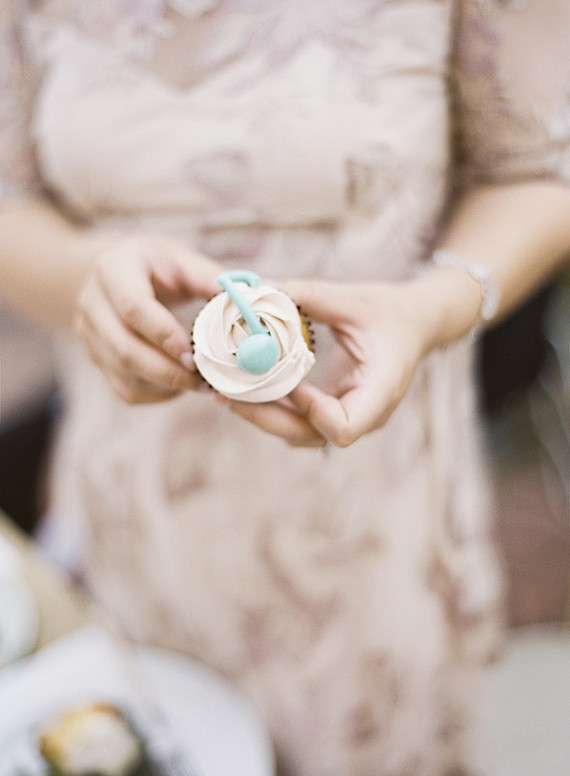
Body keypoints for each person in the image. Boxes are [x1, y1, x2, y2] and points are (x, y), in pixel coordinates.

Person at [1, 1, 569, 774]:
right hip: (145, 508)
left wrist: (431, 307)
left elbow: (544, 166)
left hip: (377, 508)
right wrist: (85, 283)